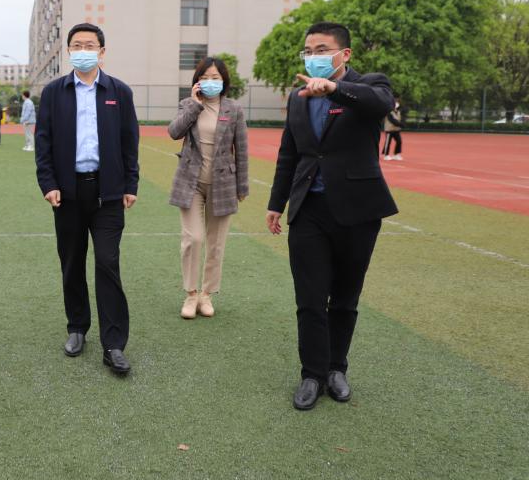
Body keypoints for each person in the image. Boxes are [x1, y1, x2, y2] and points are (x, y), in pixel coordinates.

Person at [265, 22, 398, 411]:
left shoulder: (369, 85)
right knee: (309, 298)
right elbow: (289, 153)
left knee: (344, 298)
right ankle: (312, 374)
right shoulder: (299, 98)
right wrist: (276, 203)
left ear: (345, 54)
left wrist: (334, 89)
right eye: (308, 51)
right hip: (309, 210)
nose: (313, 57)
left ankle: (337, 369)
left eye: (322, 50)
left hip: (357, 211)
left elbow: (381, 104)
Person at [35, 22, 139, 375]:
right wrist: (48, 183)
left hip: (107, 193)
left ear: (102, 51)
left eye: (89, 45)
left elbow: (129, 141)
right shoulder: (54, 92)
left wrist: (131, 184)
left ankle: (114, 344)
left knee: (107, 263)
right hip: (67, 193)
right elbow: (43, 142)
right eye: (77, 45)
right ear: (69, 51)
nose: (83, 50)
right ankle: (77, 327)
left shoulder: (118, 92)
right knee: (72, 262)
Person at [167, 56, 249, 319]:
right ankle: (191, 294)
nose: (210, 82)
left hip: (223, 184)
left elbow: (241, 149)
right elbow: (174, 132)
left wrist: (242, 186)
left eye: (215, 77)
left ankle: (206, 294)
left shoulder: (234, 110)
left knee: (216, 244)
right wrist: (195, 105)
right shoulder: (188, 105)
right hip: (190, 182)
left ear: (224, 81)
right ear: (196, 81)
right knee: (193, 239)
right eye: (204, 78)